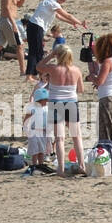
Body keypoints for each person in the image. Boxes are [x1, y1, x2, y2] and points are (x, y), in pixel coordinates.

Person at [38, 44, 85, 177]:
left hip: (56, 102)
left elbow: (38, 66)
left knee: (60, 139)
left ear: (58, 55)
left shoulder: (53, 69)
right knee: (77, 137)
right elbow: (81, 90)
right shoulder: (76, 70)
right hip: (71, 102)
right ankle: (82, 165)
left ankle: (61, 168)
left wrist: (51, 55)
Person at [24, 0, 88, 78]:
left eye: (63, 1)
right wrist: (80, 23)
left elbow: (58, 16)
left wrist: (72, 23)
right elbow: (67, 15)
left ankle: (36, 74)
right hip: (36, 26)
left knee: (36, 51)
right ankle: (31, 75)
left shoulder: (49, 0)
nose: (61, 2)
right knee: (36, 52)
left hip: (33, 25)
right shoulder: (53, 3)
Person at [89, 33, 112, 143]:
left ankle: (110, 155)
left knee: (106, 130)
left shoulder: (108, 62)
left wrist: (92, 77)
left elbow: (99, 81)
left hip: (107, 98)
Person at [24, 87, 55, 174]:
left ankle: (40, 165)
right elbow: (26, 119)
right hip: (34, 131)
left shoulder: (47, 108)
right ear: (39, 100)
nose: (47, 102)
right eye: (45, 100)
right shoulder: (32, 108)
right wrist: (26, 129)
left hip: (44, 132)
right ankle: (34, 165)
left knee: (42, 150)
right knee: (35, 150)